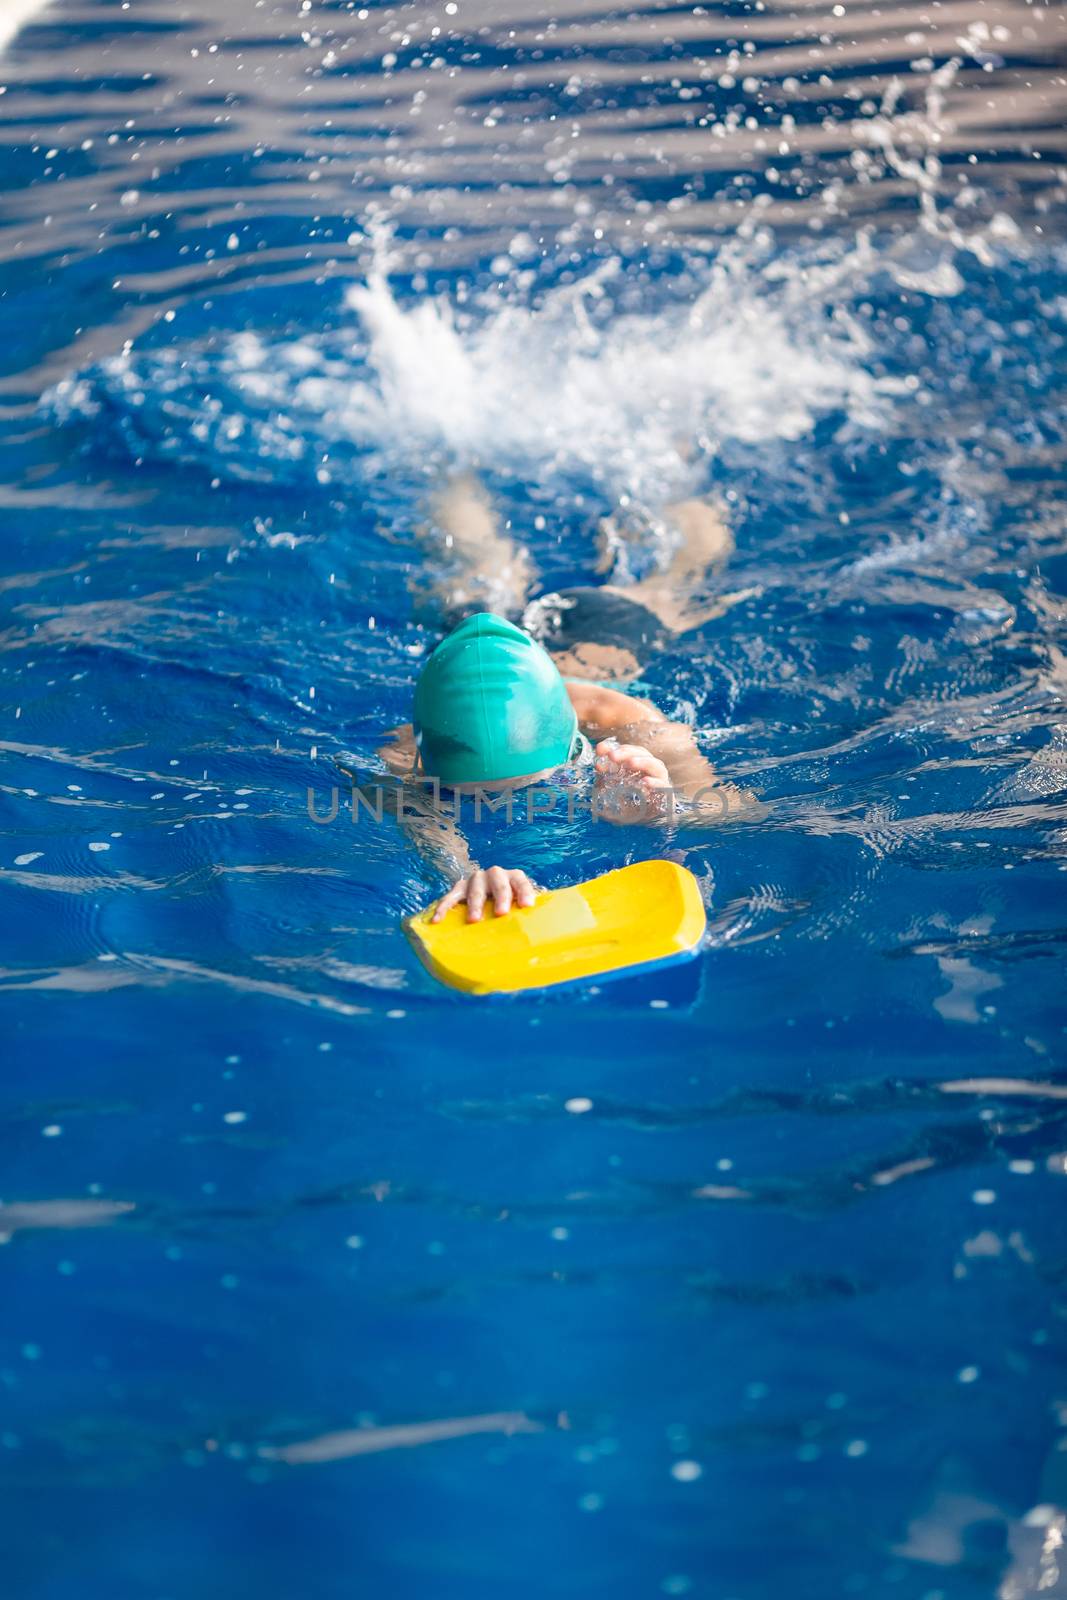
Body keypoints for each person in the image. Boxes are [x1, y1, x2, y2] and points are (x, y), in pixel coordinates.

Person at [380, 480, 757, 921]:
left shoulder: (628, 719)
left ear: (573, 744)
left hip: (601, 629)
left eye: (534, 784)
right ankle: (447, 471)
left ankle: (686, 484)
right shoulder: (411, 749)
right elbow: (419, 819)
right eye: (475, 794)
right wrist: (463, 874)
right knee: (479, 569)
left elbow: (736, 808)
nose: (505, 802)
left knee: (680, 580)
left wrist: (666, 804)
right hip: (476, 655)